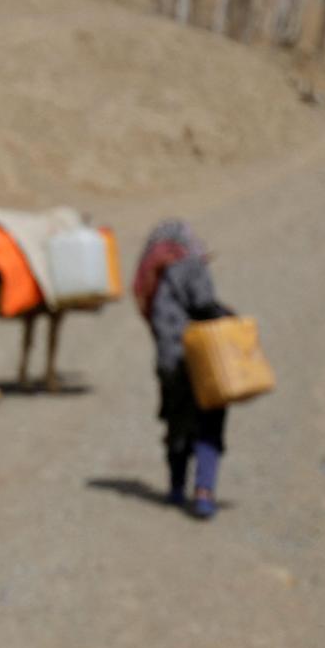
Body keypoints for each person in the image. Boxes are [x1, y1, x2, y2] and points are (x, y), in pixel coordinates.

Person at [134, 220, 233, 520]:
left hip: (167, 361)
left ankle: (176, 488)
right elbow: (203, 304)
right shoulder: (190, 265)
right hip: (200, 358)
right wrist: (231, 318)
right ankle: (203, 492)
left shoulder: (153, 278)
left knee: (176, 421)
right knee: (210, 419)